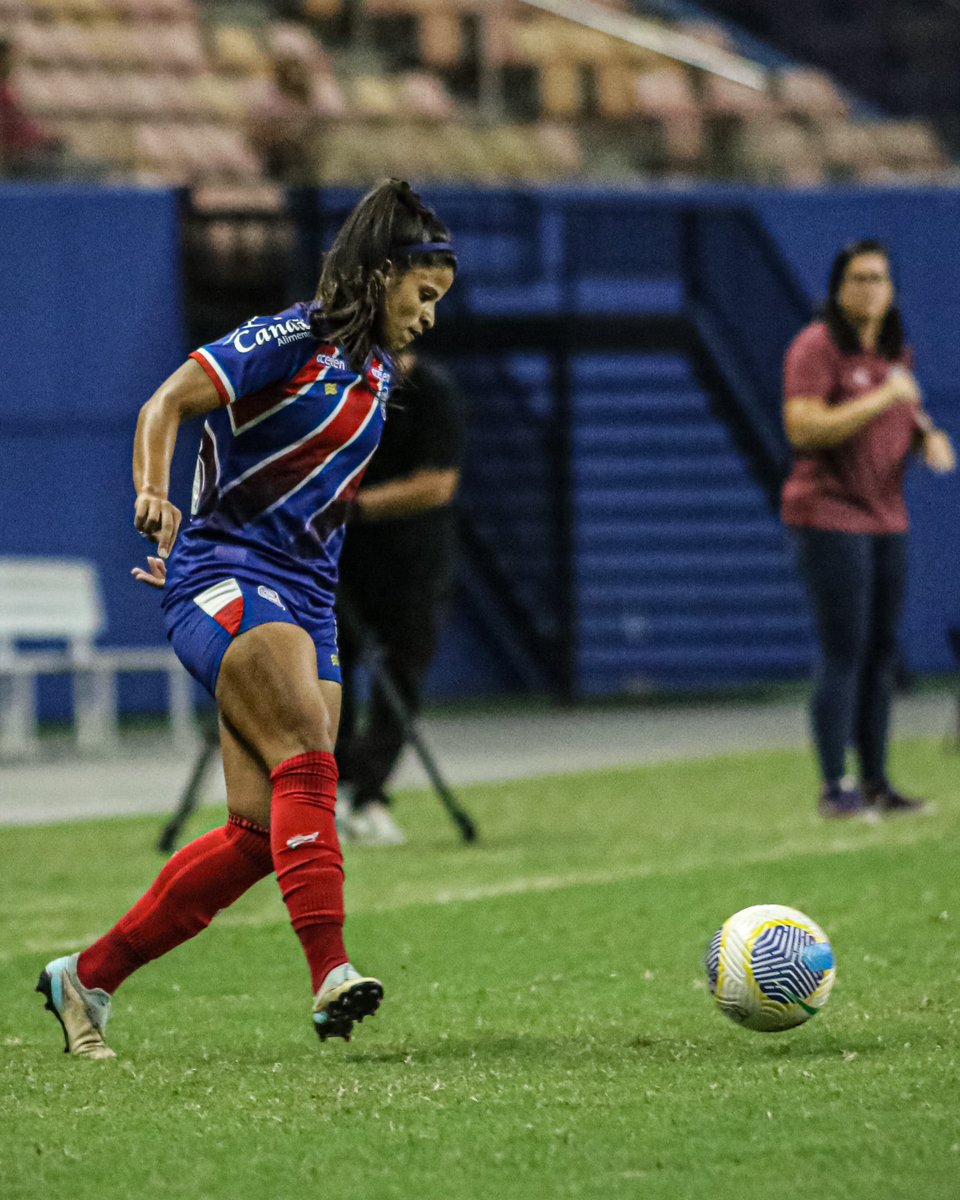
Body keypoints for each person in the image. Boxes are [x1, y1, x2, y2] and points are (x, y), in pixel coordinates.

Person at [35, 179, 457, 1058]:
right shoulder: (290, 335)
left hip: (306, 597)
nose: (429, 317)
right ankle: (331, 973)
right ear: (382, 275)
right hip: (226, 574)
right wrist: (155, 492)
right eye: (424, 295)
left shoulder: (380, 373)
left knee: (262, 833)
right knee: (307, 746)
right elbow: (168, 404)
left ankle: (87, 977)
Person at [781, 238, 955, 820]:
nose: (871, 289)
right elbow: (804, 429)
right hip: (830, 515)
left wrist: (926, 434)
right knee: (844, 651)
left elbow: (908, 410)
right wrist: (884, 398)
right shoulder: (816, 346)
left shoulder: (891, 351)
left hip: (886, 516)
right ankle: (836, 786)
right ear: (838, 287)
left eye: (880, 278)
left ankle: (878, 781)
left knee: (881, 652)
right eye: (859, 278)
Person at [335, 351, 465, 846]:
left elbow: (437, 485)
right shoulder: (338, 388)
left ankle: (369, 795)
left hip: (413, 565)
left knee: (401, 678)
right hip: (342, 560)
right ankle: (337, 793)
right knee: (330, 672)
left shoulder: (433, 394)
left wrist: (352, 507)